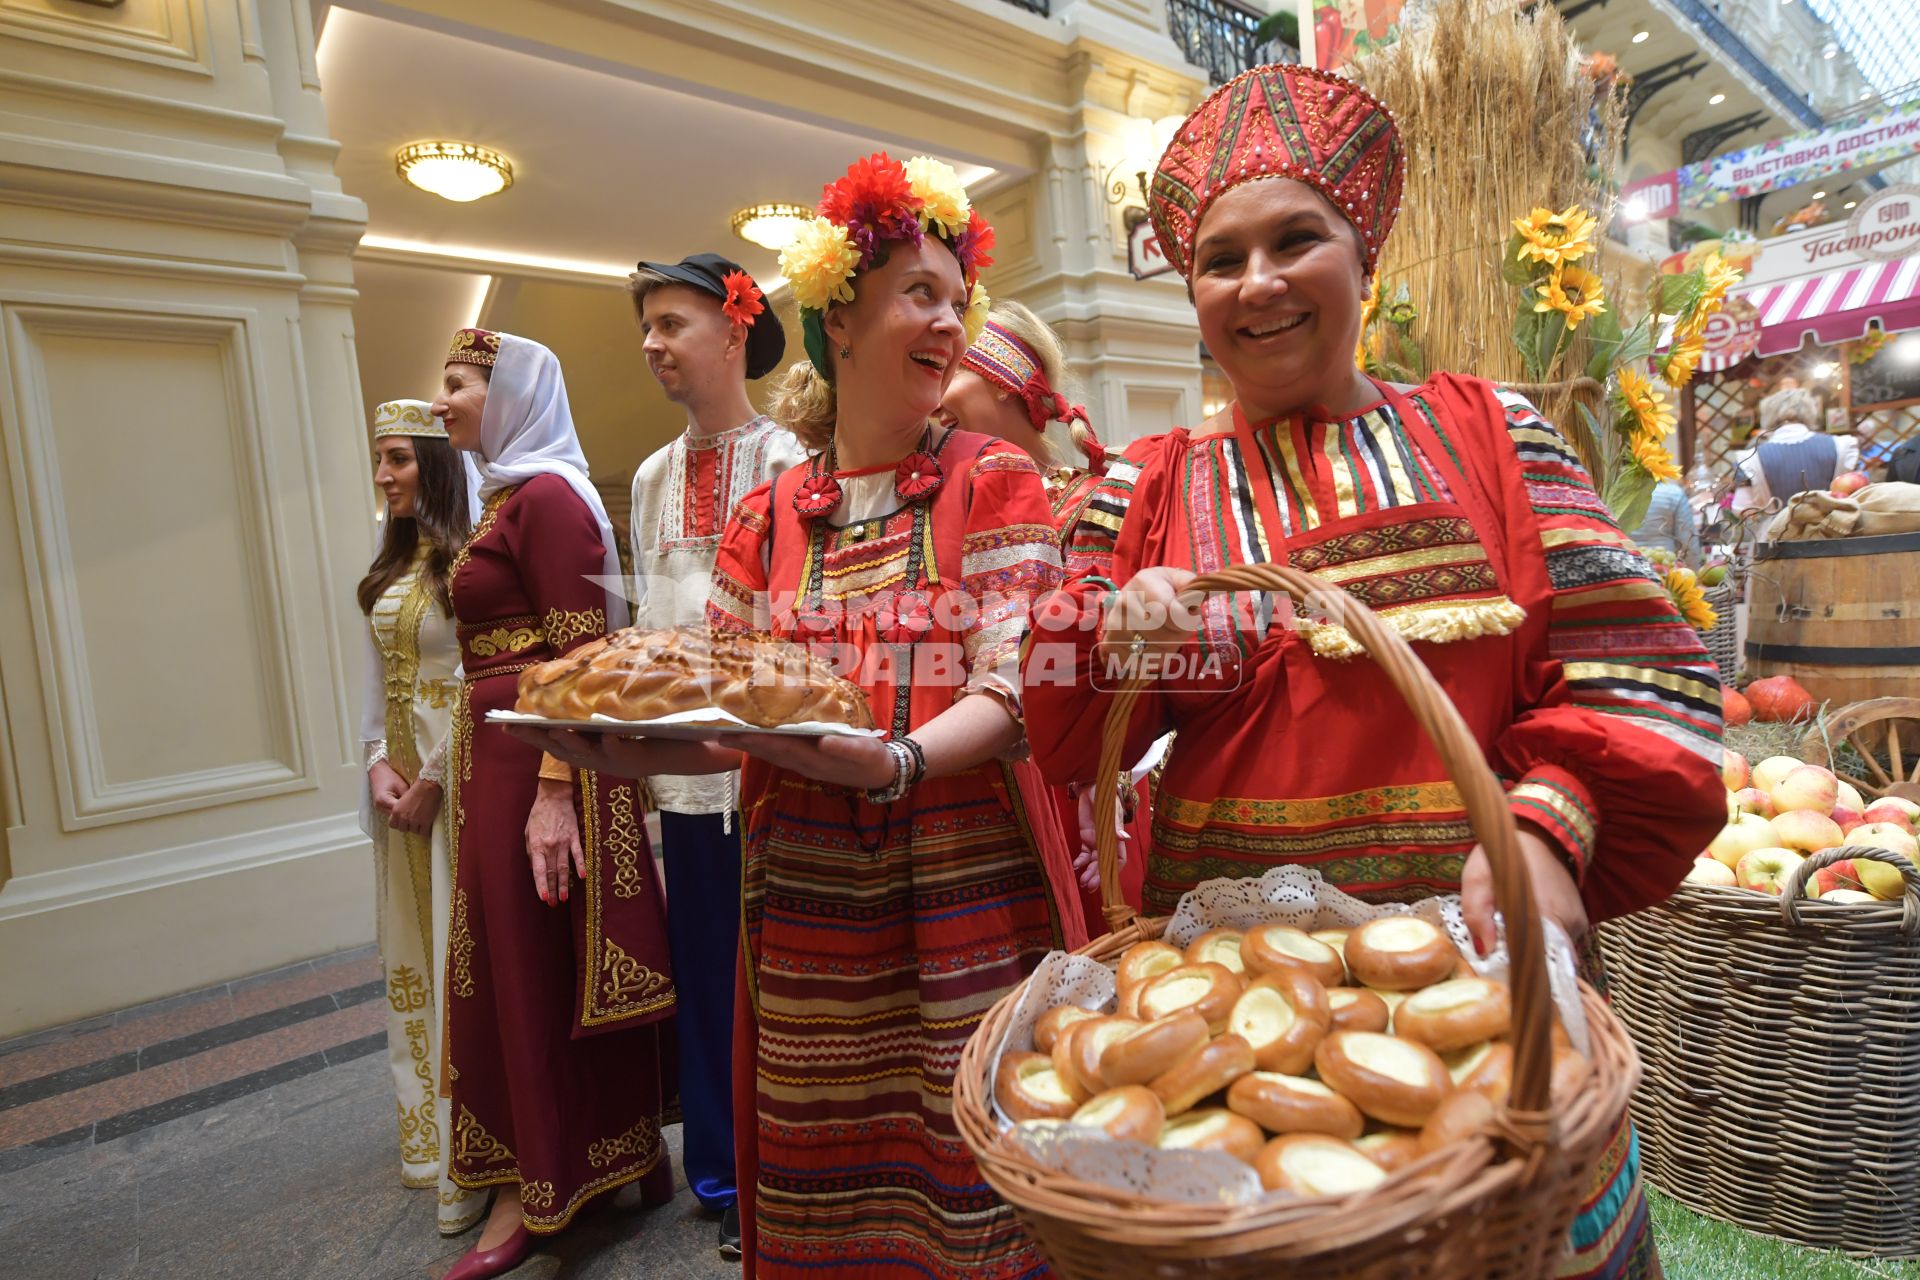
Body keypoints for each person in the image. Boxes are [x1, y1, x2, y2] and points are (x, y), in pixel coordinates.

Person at [1020, 65, 1725, 1278]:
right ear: (1190, 292)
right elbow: (1070, 733)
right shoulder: (1138, 488)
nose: (1260, 283)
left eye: (1299, 240)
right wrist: (1109, 633)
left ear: (1365, 251)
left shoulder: (1492, 431)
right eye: (1220, 259)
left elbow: (1634, 666)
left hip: (1482, 979)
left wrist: (1547, 837)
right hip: (1232, 1017)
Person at [510, 152, 1084, 1279]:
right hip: (809, 918)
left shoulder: (992, 481)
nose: (950, 323)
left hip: (966, 896)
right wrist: (609, 752)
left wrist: (898, 759)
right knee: (831, 1185)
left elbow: (1016, 693)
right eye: (923, 293)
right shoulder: (772, 517)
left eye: (957, 302)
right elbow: (718, 702)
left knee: (974, 1184)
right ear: (841, 314)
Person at [430, 328, 677, 1280]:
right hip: (505, 751)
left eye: (458, 384)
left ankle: (532, 1193)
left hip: (539, 756)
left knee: (532, 967)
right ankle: (612, 1157)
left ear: (512, 394)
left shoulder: (548, 499)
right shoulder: (513, 495)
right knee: (523, 959)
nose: (445, 401)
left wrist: (552, 792)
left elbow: (580, 660)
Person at [624, 251, 802, 1259]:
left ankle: (781, 1166)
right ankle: (723, 1168)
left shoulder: (788, 461)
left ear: (735, 328)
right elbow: (649, 619)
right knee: (702, 970)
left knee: (772, 971)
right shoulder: (649, 476)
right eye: (645, 325)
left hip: (766, 763)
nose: (652, 343)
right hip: (680, 776)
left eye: (671, 322)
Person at [942, 301, 1152, 933]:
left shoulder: (1099, 495)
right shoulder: (940, 504)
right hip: (970, 771)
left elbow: (1113, 664)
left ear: (1007, 382)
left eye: (953, 369)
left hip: (1072, 780)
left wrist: (1101, 778)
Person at [356, 399, 484, 1236]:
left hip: (458, 781)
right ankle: (426, 1140)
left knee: (455, 951)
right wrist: (374, 760)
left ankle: (474, 1146)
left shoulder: (473, 561)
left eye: (398, 458)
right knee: (411, 952)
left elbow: (487, 673)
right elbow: (374, 677)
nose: (383, 475)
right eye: (379, 458)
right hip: (399, 786)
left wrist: (434, 775)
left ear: (434, 463)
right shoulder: (390, 564)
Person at [1731, 386, 1859, 513]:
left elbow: (1741, 508)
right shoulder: (1841, 446)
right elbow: (1857, 496)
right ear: (1811, 411)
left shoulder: (1750, 458)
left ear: (1768, 415)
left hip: (1776, 532)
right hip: (1834, 530)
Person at [1629, 477, 1701, 566]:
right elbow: (1688, 541)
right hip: (1664, 568)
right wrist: (1694, 572)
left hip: (1625, 567)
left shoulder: (1616, 494)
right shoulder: (1674, 493)